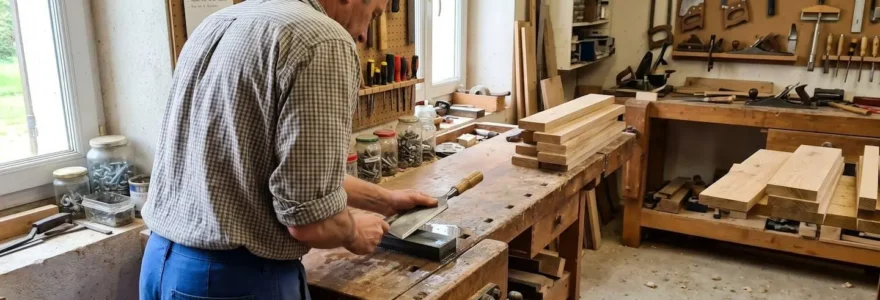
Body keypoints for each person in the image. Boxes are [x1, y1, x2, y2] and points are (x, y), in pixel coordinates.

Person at [139, 0, 435, 299]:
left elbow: (283, 170)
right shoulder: (324, 39)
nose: (362, 36)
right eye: (372, 15)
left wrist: (385, 200)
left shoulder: (220, 21)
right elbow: (309, 221)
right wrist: (354, 233)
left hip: (160, 262)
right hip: (232, 280)